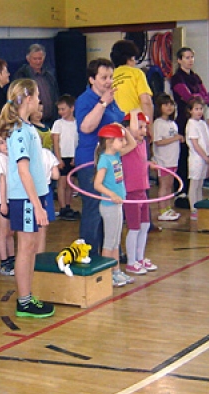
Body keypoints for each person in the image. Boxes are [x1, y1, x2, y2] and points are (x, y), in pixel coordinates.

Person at [0, 78, 55, 318]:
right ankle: (24, 301)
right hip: (25, 199)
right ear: (28, 98)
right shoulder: (20, 131)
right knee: (26, 247)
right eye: (38, 96)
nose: (40, 100)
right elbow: (23, 171)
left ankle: (28, 296)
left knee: (30, 247)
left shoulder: (28, 128)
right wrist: (36, 205)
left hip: (34, 196)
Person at [75, 58, 125, 255]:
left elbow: (120, 121)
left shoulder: (112, 99)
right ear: (91, 79)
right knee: (94, 208)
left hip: (111, 160)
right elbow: (86, 126)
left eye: (110, 77)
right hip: (90, 162)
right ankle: (89, 254)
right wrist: (103, 103)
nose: (108, 81)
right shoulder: (85, 100)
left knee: (110, 208)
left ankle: (110, 254)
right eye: (103, 77)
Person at [92, 123, 136, 287]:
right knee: (109, 242)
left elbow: (133, 144)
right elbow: (97, 184)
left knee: (116, 241)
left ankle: (116, 271)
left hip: (117, 205)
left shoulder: (116, 155)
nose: (124, 142)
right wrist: (112, 195)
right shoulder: (104, 160)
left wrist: (122, 129)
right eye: (120, 139)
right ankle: (107, 273)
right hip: (109, 206)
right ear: (110, 141)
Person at [170, 48, 209, 205]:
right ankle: (181, 191)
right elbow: (188, 97)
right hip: (184, 119)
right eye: (186, 57)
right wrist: (197, 100)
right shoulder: (177, 77)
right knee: (184, 155)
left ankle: (195, 192)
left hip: (198, 118)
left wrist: (199, 100)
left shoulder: (195, 77)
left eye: (192, 57)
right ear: (179, 60)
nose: (190, 60)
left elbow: (205, 96)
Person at [122, 111, 158, 276]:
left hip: (143, 190)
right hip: (131, 192)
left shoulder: (143, 144)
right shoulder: (127, 144)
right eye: (140, 126)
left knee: (145, 225)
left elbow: (139, 161)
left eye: (145, 127)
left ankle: (139, 258)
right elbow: (132, 132)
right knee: (134, 227)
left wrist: (149, 164)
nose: (143, 130)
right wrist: (135, 111)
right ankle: (131, 262)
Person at [152, 93, 184, 221]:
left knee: (170, 184)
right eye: (165, 105)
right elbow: (158, 141)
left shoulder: (172, 123)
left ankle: (168, 207)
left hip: (173, 159)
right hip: (163, 160)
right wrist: (175, 138)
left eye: (171, 104)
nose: (169, 107)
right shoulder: (158, 123)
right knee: (164, 185)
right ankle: (162, 210)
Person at [13, 44, 60, 125]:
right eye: (35, 59)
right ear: (28, 59)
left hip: (51, 121)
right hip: (31, 122)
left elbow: (56, 95)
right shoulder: (22, 76)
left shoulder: (49, 76)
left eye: (40, 58)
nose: (38, 61)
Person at [110, 39, 153, 122]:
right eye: (134, 58)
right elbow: (146, 102)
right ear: (130, 59)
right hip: (135, 122)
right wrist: (149, 126)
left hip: (115, 124)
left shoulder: (109, 76)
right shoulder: (136, 73)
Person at [185, 97, 209, 220]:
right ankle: (193, 208)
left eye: (201, 109)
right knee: (194, 183)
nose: (199, 111)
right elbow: (195, 144)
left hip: (204, 157)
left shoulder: (202, 123)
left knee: (200, 183)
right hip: (196, 158)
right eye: (196, 109)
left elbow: (207, 141)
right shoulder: (191, 124)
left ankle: (199, 205)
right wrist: (205, 157)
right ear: (190, 111)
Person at [51, 94, 78, 220]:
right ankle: (62, 207)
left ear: (71, 108)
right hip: (62, 156)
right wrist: (58, 158)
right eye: (59, 109)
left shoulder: (77, 123)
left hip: (73, 157)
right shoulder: (58, 124)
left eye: (63, 109)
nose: (61, 112)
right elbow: (55, 142)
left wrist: (76, 157)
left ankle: (68, 205)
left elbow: (78, 141)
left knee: (70, 183)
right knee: (61, 183)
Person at [0, 128, 15, 276]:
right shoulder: (0, 159)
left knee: (11, 233)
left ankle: (12, 258)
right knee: (3, 233)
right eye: (1, 142)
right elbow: (2, 181)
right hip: (3, 201)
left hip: (13, 200)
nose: (5, 144)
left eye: (7, 140)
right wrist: (3, 204)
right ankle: (4, 261)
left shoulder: (13, 157)